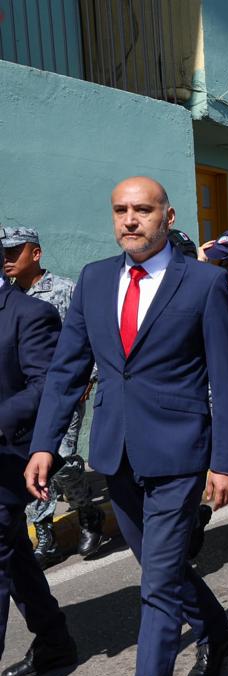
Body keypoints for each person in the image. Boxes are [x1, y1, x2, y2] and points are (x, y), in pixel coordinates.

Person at [26, 176, 228, 676]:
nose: (130, 220)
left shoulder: (203, 282)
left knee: (157, 587)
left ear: (167, 216)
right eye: (121, 210)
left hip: (178, 454)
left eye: (142, 210)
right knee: (159, 567)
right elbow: (67, 371)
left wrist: (225, 460)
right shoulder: (96, 279)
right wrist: (45, 445)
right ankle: (217, 630)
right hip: (115, 451)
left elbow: (225, 378)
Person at [1, 226, 107, 562]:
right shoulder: (7, 297)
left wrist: (88, 379)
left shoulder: (64, 289)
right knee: (30, 463)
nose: (6, 259)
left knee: (60, 460)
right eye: (3, 253)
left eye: (14, 251)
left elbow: (89, 337)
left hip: (62, 394)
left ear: (36, 253)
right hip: (23, 400)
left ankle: (87, 512)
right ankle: (44, 532)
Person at [0, 274, 77, 676]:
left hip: (9, 456)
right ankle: (54, 639)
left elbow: (48, 382)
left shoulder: (30, 313)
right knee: (12, 551)